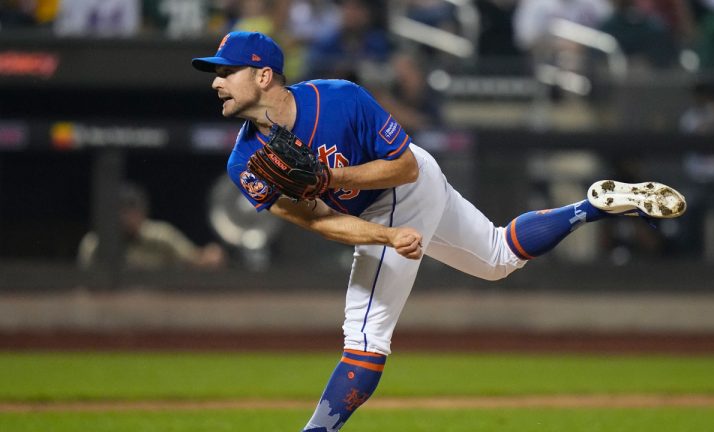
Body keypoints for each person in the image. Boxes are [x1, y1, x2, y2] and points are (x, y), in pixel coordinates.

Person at [191, 31, 686, 432]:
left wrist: (332, 180)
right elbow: (316, 220)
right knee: (496, 258)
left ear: (263, 74)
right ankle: (591, 206)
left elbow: (403, 168)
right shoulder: (244, 161)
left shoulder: (339, 99)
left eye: (225, 71)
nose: (216, 82)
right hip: (382, 211)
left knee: (365, 338)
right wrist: (385, 238)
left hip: (406, 182)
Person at [78, 183, 226, 270]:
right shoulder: (94, 243)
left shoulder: (161, 236)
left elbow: (195, 259)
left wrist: (210, 256)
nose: (128, 218)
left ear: (143, 213)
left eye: (133, 211)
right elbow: (83, 284)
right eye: (122, 212)